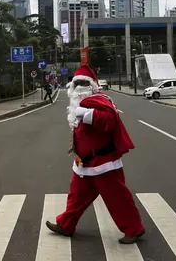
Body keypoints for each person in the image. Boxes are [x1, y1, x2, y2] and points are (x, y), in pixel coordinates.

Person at [45, 65, 146, 244]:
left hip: (103, 162)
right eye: (77, 83)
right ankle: (66, 225)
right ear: (72, 86)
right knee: (76, 197)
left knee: (117, 198)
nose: (80, 87)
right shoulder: (79, 102)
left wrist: (89, 114)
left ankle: (134, 229)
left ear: (92, 85)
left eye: (84, 83)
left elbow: (110, 120)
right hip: (84, 163)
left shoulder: (98, 100)